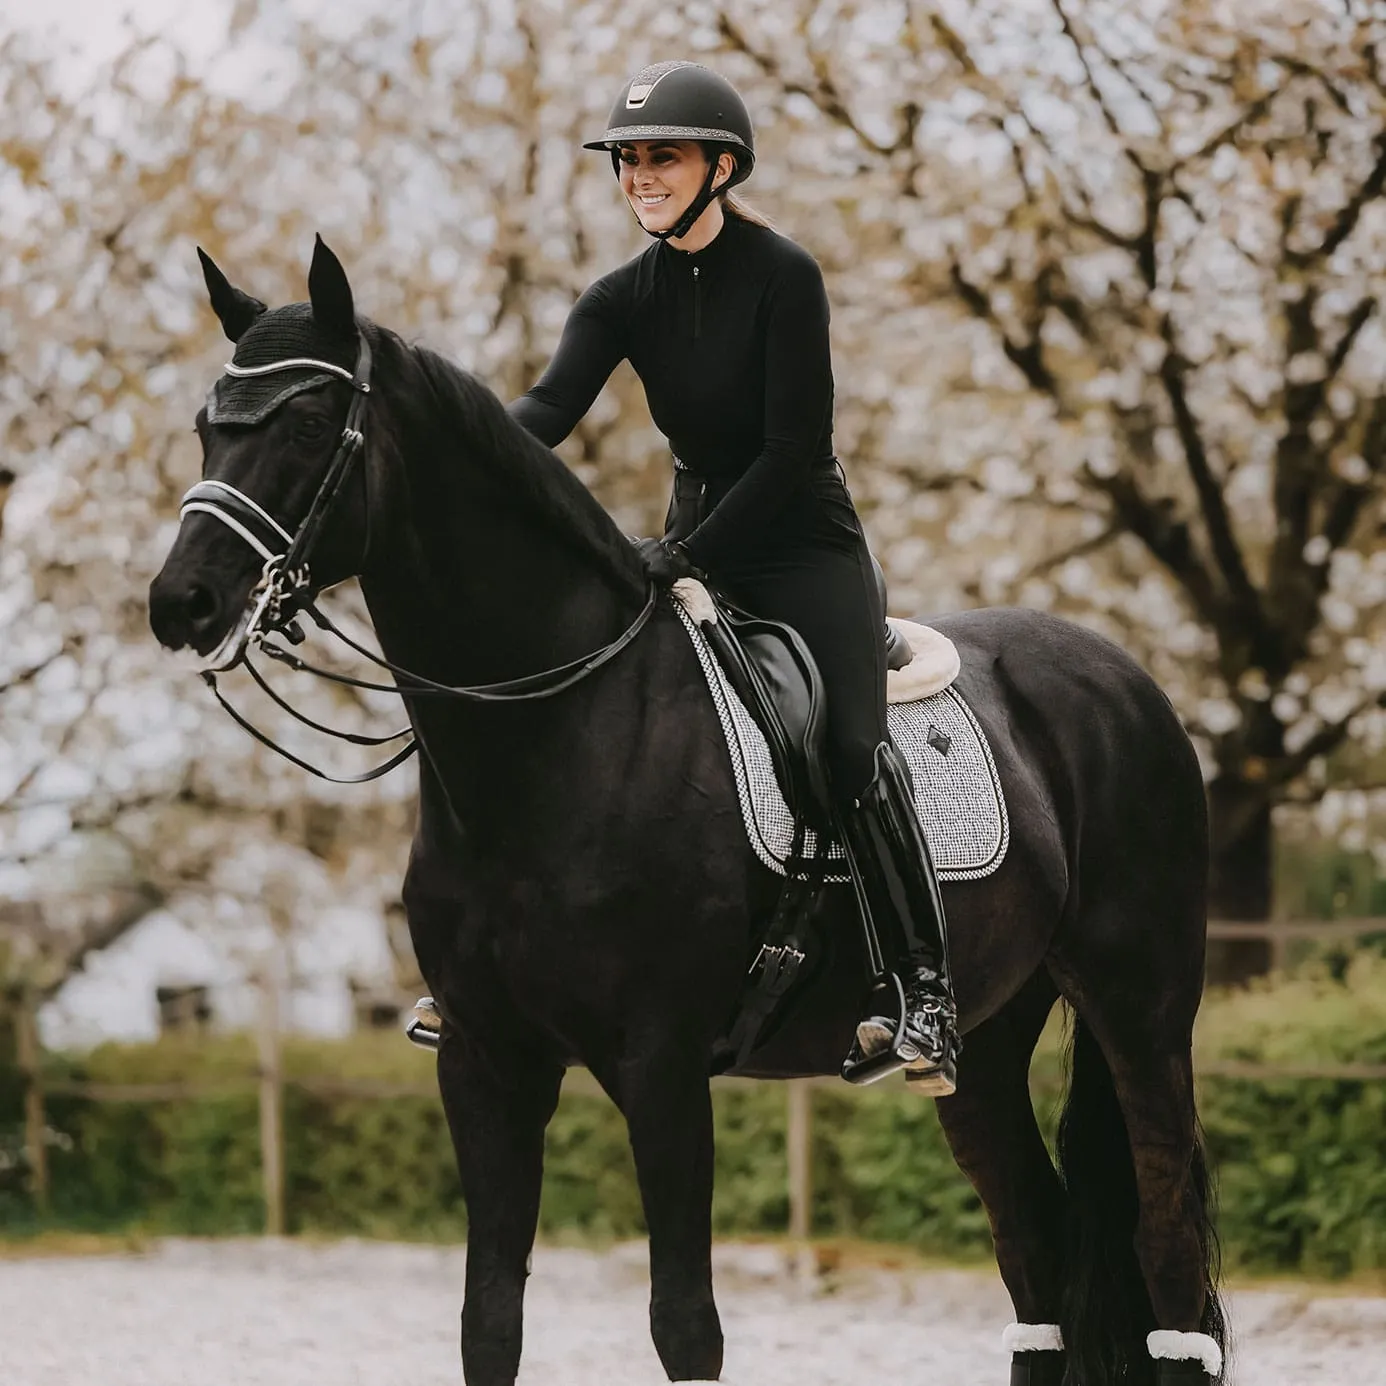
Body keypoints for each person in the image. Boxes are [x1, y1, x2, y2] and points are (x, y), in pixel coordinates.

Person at [507, 60, 960, 1094]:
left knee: (848, 746)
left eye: (660, 156)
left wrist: (685, 554)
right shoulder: (619, 299)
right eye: (627, 160)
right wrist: (465, 445)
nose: (640, 175)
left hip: (803, 548)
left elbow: (793, 448)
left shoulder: (784, 275)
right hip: (694, 531)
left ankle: (923, 987)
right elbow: (545, 409)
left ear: (721, 166)